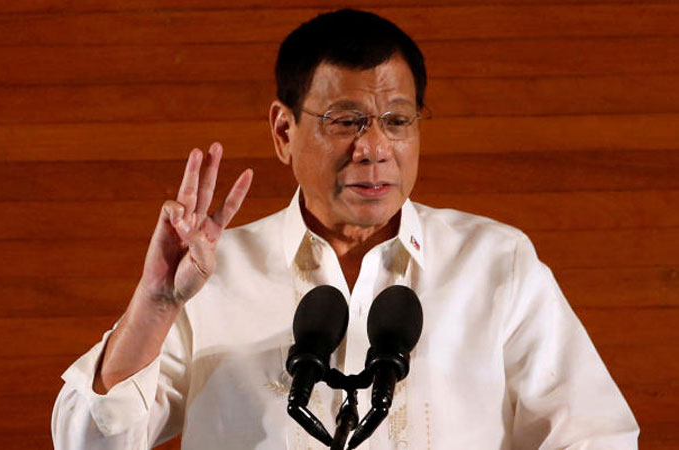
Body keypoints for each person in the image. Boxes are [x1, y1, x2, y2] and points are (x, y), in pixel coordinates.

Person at [51, 9, 639, 449]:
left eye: (397, 120)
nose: (374, 149)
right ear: (283, 132)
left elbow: (594, 435)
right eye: (346, 121)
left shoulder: (495, 261)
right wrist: (154, 305)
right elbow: (87, 440)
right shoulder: (209, 275)